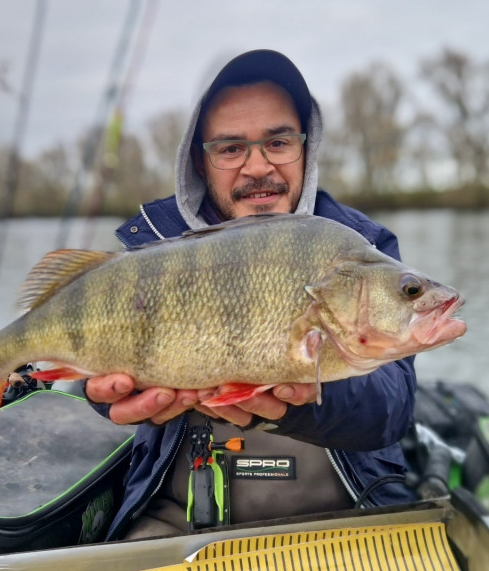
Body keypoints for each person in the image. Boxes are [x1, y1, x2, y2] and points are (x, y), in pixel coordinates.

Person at [85, 49, 418, 541]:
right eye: (231, 148)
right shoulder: (149, 253)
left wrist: (296, 397)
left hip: (347, 516)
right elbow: (95, 363)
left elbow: (392, 407)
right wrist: (110, 396)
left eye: (278, 142)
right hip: (179, 520)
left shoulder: (362, 250)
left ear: (306, 148)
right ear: (202, 161)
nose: (257, 167)